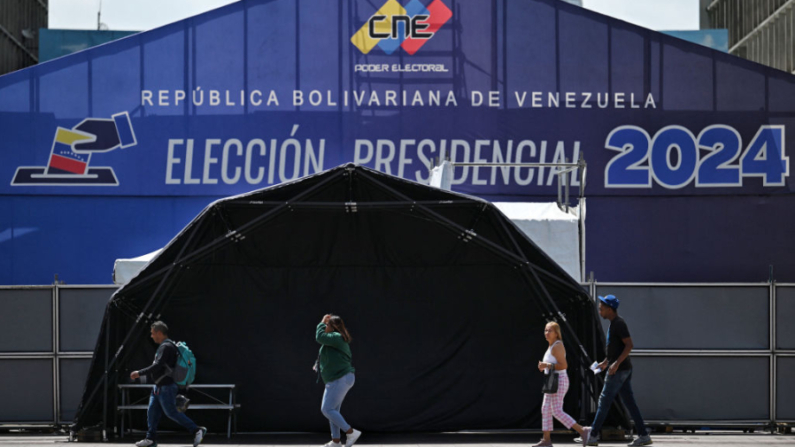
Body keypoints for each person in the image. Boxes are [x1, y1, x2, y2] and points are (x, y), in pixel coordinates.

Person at [582, 295, 652, 446]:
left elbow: (629, 345)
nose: (599, 310)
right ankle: (644, 435)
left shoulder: (619, 324)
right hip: (622, 369)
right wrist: (606, 362)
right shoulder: (614, 324)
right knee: (630, 403)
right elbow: (616, 349)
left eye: (601, 308)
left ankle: (592, 436)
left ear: (609, 309)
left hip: (619, 371)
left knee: (604, 401)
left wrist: (615, 365)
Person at [130, 321, 206, 447]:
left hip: (166, 387)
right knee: (152, 412)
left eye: (153, 333)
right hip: (159, 387)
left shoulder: (166, 347)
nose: (151, 336)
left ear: (159, 333)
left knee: (171, 412)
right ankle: (151, 439)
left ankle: (197, 430)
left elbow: (158, 365)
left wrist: (139, 373)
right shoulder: (166, 346)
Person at [533, 322, 588, 447]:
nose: (546, 333)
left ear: (556, 333)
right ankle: (546, 440)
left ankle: (583, 430)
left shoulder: (557, 345)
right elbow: (552, 365)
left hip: (559, 379)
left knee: (556, 411)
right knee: (545, 409)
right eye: (545, 330)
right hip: (551, 379)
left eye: (549, 331)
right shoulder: (551, 345)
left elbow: (564, 365)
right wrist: (544, 367)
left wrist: (546, 365)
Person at [315, 314, 361, 447]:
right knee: (333, 411)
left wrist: (321, 322)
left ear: (333, 327)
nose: (325, 327)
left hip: (340, 378)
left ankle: (350, 432)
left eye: (328, 325)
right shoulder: (335, 339)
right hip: (338, 379)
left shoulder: (336, 337)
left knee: (327, 409)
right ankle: (336, 441)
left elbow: (319, 337)